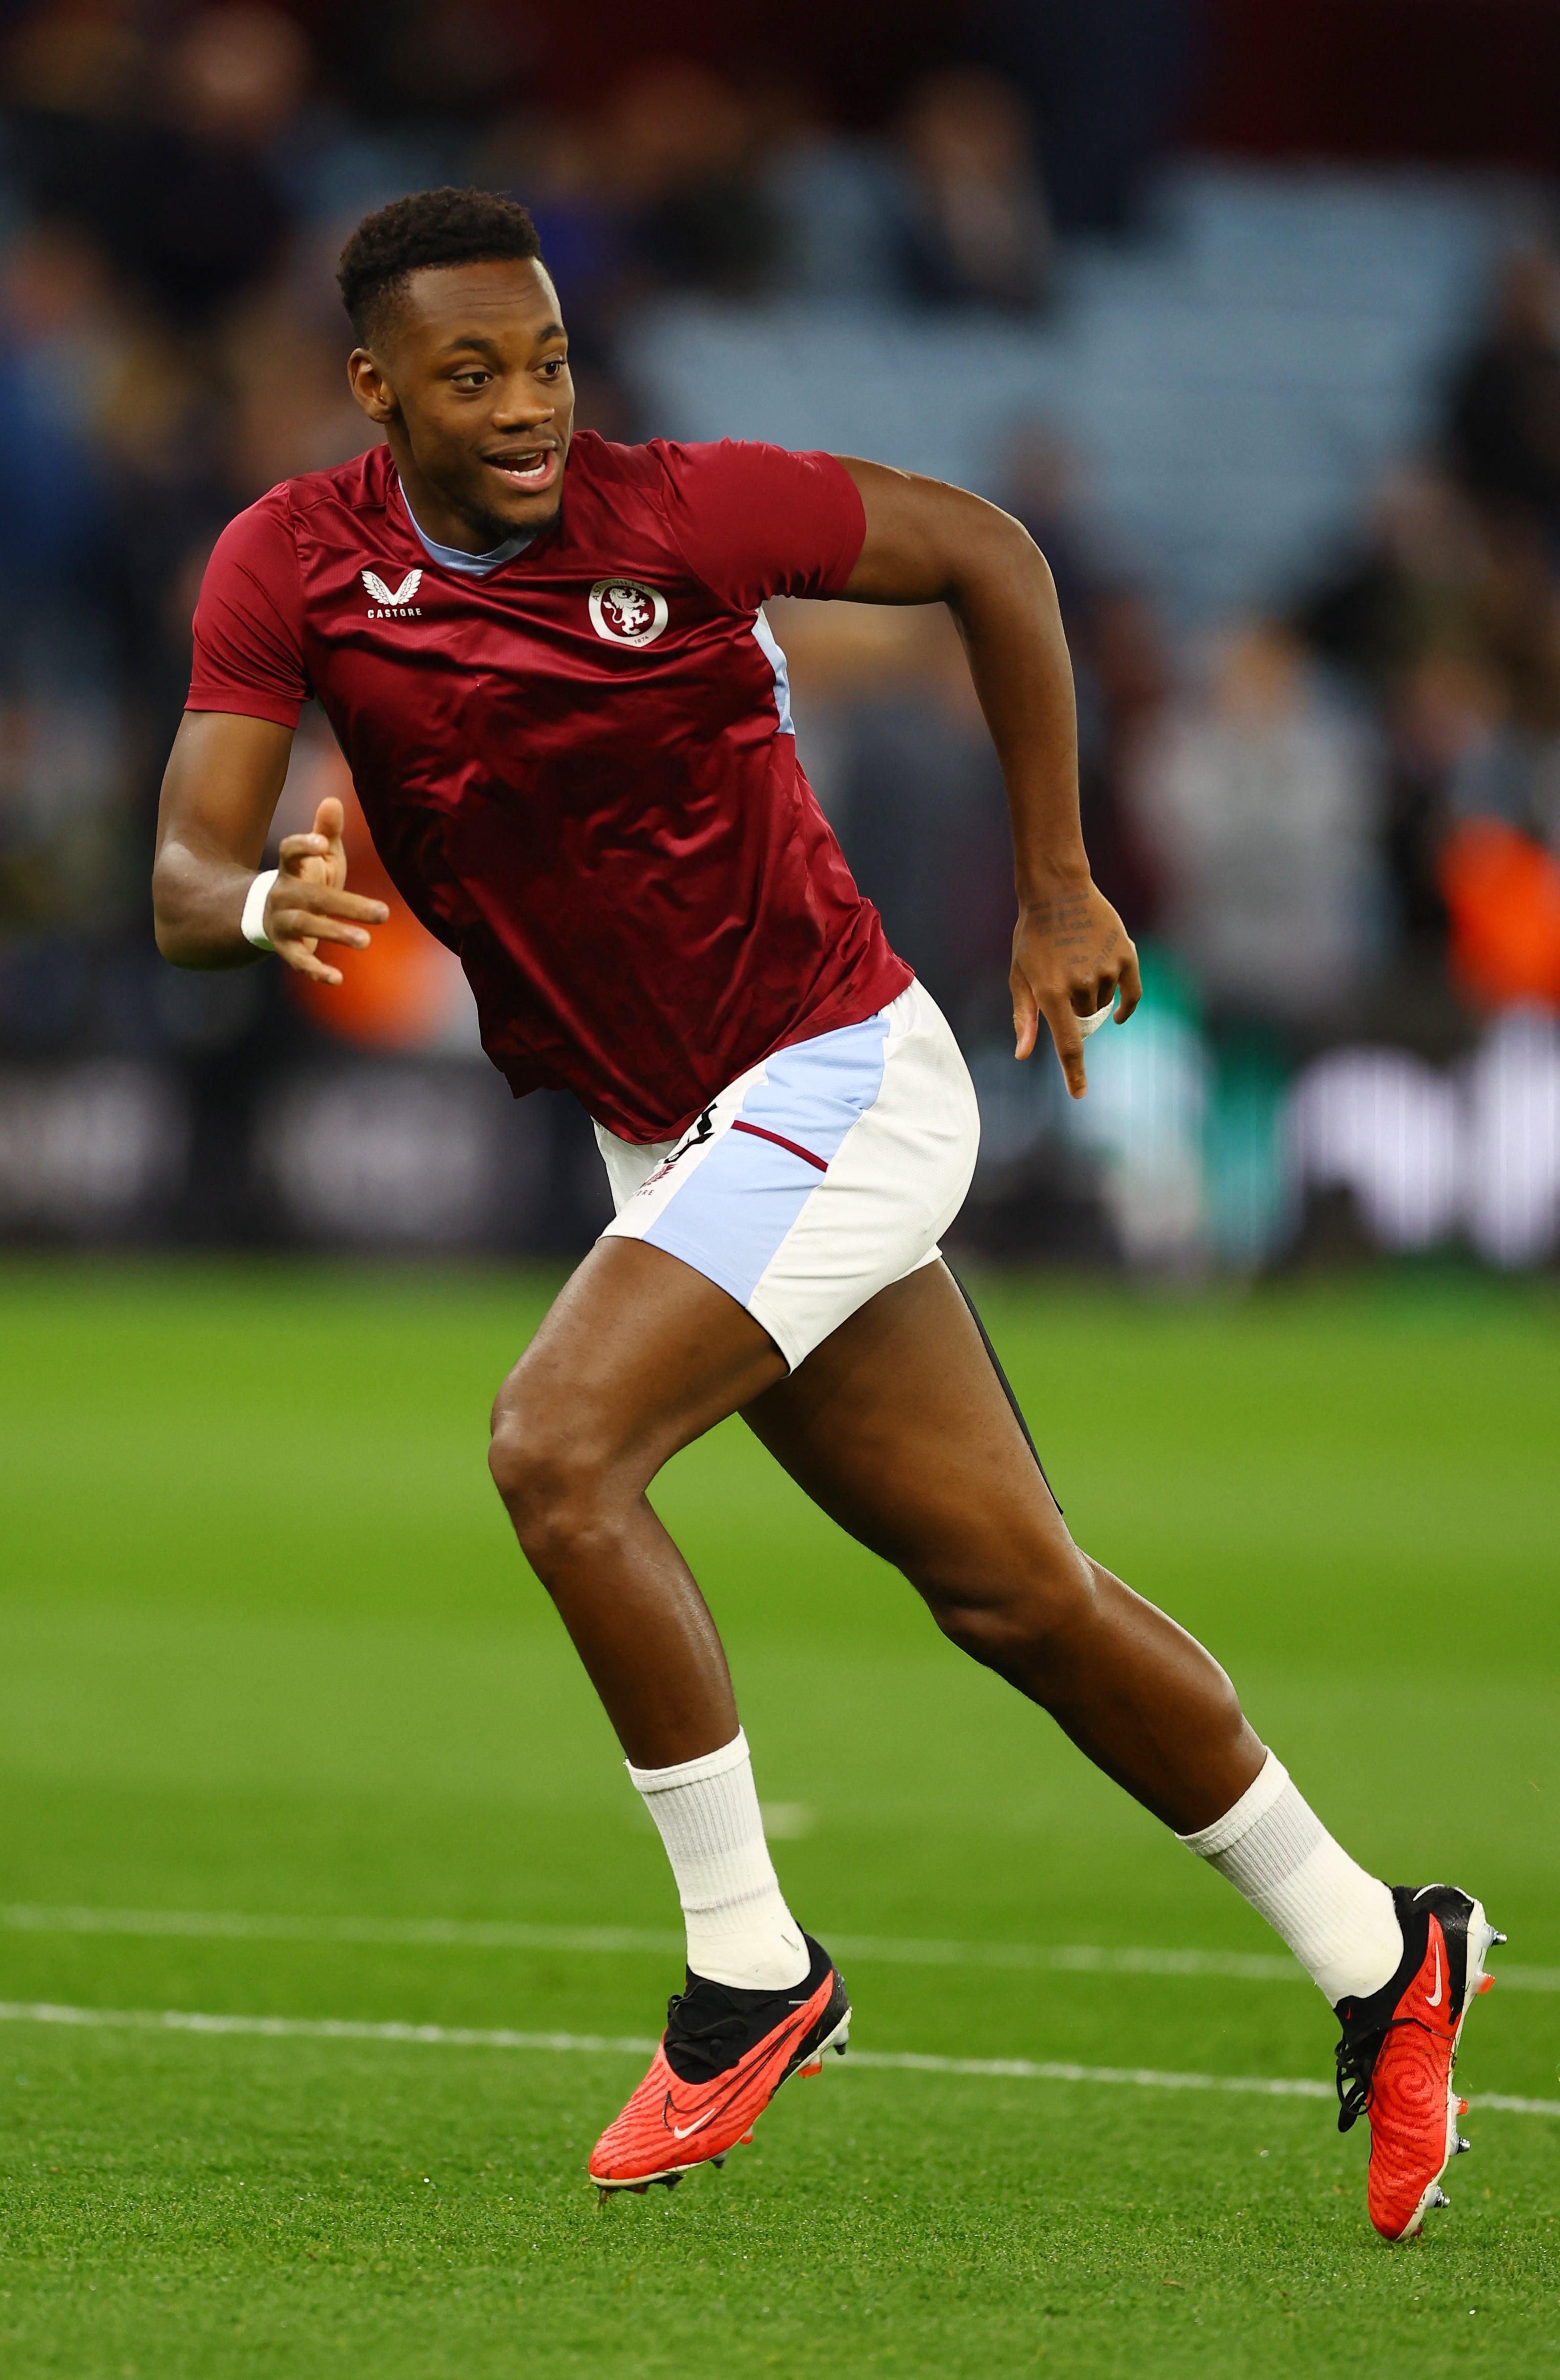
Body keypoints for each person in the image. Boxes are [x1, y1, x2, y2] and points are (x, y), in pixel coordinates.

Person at [151, 187, 1498, 2241]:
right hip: (667, 1130)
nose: (527, 406)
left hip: (835, 1073)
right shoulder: (288, 561)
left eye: (548, 361)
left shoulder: (683, 512)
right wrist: (257, 901)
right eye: (471, 374)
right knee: (1015, 1593)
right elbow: (181, 872)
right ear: (375, 391)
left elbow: (989, 551)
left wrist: (1056, 878)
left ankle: (749, 1968)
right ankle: (1381, 1947)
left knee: (553, 1448)